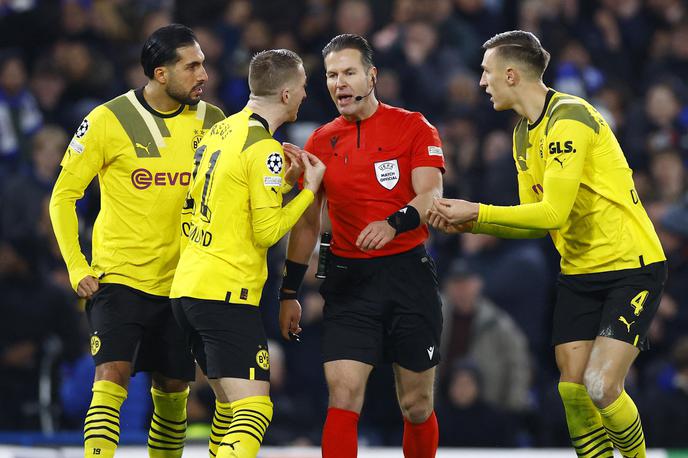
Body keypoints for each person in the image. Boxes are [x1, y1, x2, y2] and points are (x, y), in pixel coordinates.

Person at [428, 30, 667, 458]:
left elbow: (552, 213)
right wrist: (469, 226)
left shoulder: (569, 119)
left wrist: (478, 212)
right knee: (572, 392)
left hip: (630, 266)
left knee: (600, 385)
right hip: (578, 272)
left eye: (487, 72)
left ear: (512, 74)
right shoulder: (523, 135)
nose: (482, 82)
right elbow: (534, 223)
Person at [49, 24, 225, 458]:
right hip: (119, 277)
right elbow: (63, 196)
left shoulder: (215, 121)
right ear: (161, 73)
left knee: (172, 389)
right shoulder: (108, 120)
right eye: (193, 66)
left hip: (183, 283)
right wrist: (77, 265)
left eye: (203, 63)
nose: (204, 73)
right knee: (111, 374)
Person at [280, 34, 445, 458]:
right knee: (343, 394)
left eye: (349, 72)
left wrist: (394, 223)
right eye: (333, 75)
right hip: (349, 281)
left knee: (416, 404)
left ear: (372, 76)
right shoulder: (319, 142)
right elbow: (305, 225)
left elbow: (430, 194)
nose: (340, 83)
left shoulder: (413, 126)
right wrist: (289, 292)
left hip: (408, 276)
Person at [169, 49, 325, 458]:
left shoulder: (221, 130)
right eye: (305, 86)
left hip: (188, 286)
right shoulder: (266, 149)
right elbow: (268, 231)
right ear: (288, 93)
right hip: (226, 293)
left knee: (229, 409)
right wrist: (308, 189)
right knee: (255, 411)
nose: (307, 94)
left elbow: (233, 197)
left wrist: (278, 187)